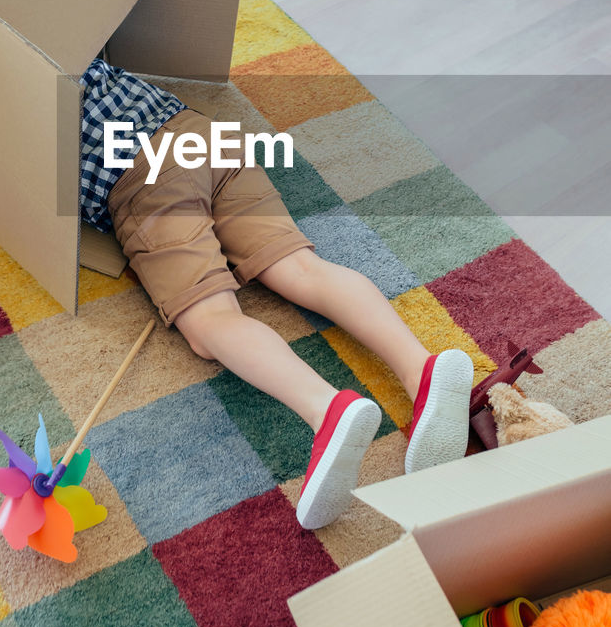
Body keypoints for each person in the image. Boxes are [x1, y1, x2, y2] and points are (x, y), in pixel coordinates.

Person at [80, 57, 474, 530]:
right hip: (200, 134)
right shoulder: (52, 13)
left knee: (210, 323)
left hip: (135, 171)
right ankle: (419, 368)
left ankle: (326, 409)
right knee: (301, 268)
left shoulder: (0, 99)